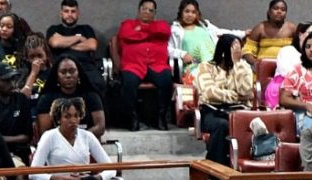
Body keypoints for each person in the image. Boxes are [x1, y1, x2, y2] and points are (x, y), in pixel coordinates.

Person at [30, 96, 114, 180]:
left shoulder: (87, 136)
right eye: (67, 116)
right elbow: (33, 174)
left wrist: (97, 177)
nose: (73, 120)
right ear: (58, 119)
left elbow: (111, 168)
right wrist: (60, 178)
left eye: (76, 116)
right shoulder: (49, 136)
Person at [194, 35, 254, 166]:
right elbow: (210, 93)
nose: (238, 51)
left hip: (239, 111)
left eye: (239, 48)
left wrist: (237, 64)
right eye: (234, 48)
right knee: (222, 125)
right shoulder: (206, 67)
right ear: (223, 49)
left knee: (254, 124)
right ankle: (217, 168)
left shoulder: (243, 67)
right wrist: (237, 97)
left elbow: (246, 91)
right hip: (212, 111)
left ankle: (249, 167)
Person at [117, 0, 173, 131]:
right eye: (144, 9)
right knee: (128, 83)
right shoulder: (127, 24)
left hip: (157, 65)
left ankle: (161, 117)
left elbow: (164, 32)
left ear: (154, 14)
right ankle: (133, 117)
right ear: (138, 10)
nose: (147, 12)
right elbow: (126, 35)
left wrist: (140, 30)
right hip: (133, 65)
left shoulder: (162, 25)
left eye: (151, 10)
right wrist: (151, 33)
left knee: (166, 80)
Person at [35, 54, 106, 138]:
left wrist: (78, 139)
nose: (68, 75)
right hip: (57, 145)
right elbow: (45, 132)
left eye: (72, 71)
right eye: (63, 72)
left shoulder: (91, 95)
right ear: (57, 76)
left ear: (79, 73)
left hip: (86, 143)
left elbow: (100, 127)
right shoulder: (46, 98)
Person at [46, 0, 106, 95]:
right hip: (61, 66)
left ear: (78, 14)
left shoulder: (86, 29)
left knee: (99, 84)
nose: (70, 14)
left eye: (73, 11)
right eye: (66, 11)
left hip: (85, 66)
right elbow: (55, 43)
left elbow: (92, 45)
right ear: (61, 13)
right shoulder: (54, 29)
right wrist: (79, 38)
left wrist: (65, 44)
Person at [170, 0, 241, 78]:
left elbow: (221, 32)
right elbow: (167, 49)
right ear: (181, 12)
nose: (190, 15)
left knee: (231, 76)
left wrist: (243, 33)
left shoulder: (204, 25)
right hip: (195, 67)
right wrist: (182, 54)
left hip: (215, 64)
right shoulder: (175, 30)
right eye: (187, 11)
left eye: (193, 12)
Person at [0, 63, 34, 162]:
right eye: (6, 80)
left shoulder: (21, 99)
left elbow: (27, 136)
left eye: (13, 79)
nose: (12, 84)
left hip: (20, 152)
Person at [242, 0, 296, 67]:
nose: (279, 11)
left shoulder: (292, 28)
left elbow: (301, 50)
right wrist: (255, 63)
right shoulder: (260, 28)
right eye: (276, 8)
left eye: (283, 10)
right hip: (263, 69)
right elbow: (247, 50)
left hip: (287, 69)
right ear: (269, 12)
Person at [16, 32, 51, 101]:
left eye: (40, 55)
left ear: (46, 55)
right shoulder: (20, 75)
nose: (36, 60)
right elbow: (21, 99)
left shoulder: (52, 74)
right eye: (32, 57)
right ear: (27, 58)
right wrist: (33, 73)